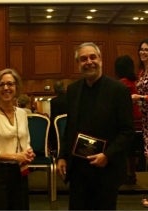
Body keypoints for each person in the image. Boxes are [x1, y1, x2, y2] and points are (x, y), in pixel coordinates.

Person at [56, 42, 134, 210]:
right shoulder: (73, 90)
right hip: (78, 169)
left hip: (106, 168)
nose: (89, 62)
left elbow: (127, 131)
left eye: (93, 57)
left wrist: (107, 155)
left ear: (101, 60)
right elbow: (70, 127)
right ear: (78, 64)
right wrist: (62, 156)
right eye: (83, 59)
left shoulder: (118, 90)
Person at [0, 68, 36, 210]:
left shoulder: (22, 114)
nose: (6, 88)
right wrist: (15, 156)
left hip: (20, 174)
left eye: (10, 84)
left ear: (16, 88)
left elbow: (25, 141)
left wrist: (28, 152)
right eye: (1, 85)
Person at [114, 55, 142, 185]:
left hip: (128, 121)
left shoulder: (121, 84)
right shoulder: (136, 82)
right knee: (134, 152)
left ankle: (126, 175)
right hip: (140, 122)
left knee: (125, 150)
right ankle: (133, 175)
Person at [133, 38, 148, 207]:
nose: (143, 52)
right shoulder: (141, 72)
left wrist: (140, 98)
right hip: (145, 119)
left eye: (147, 49)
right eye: (141, 49)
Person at [48, 80, 67, 156]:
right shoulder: (72, 99)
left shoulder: (54, 101)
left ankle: (55, 151)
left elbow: (54, 118)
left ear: (55, 90)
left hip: (58, 129)